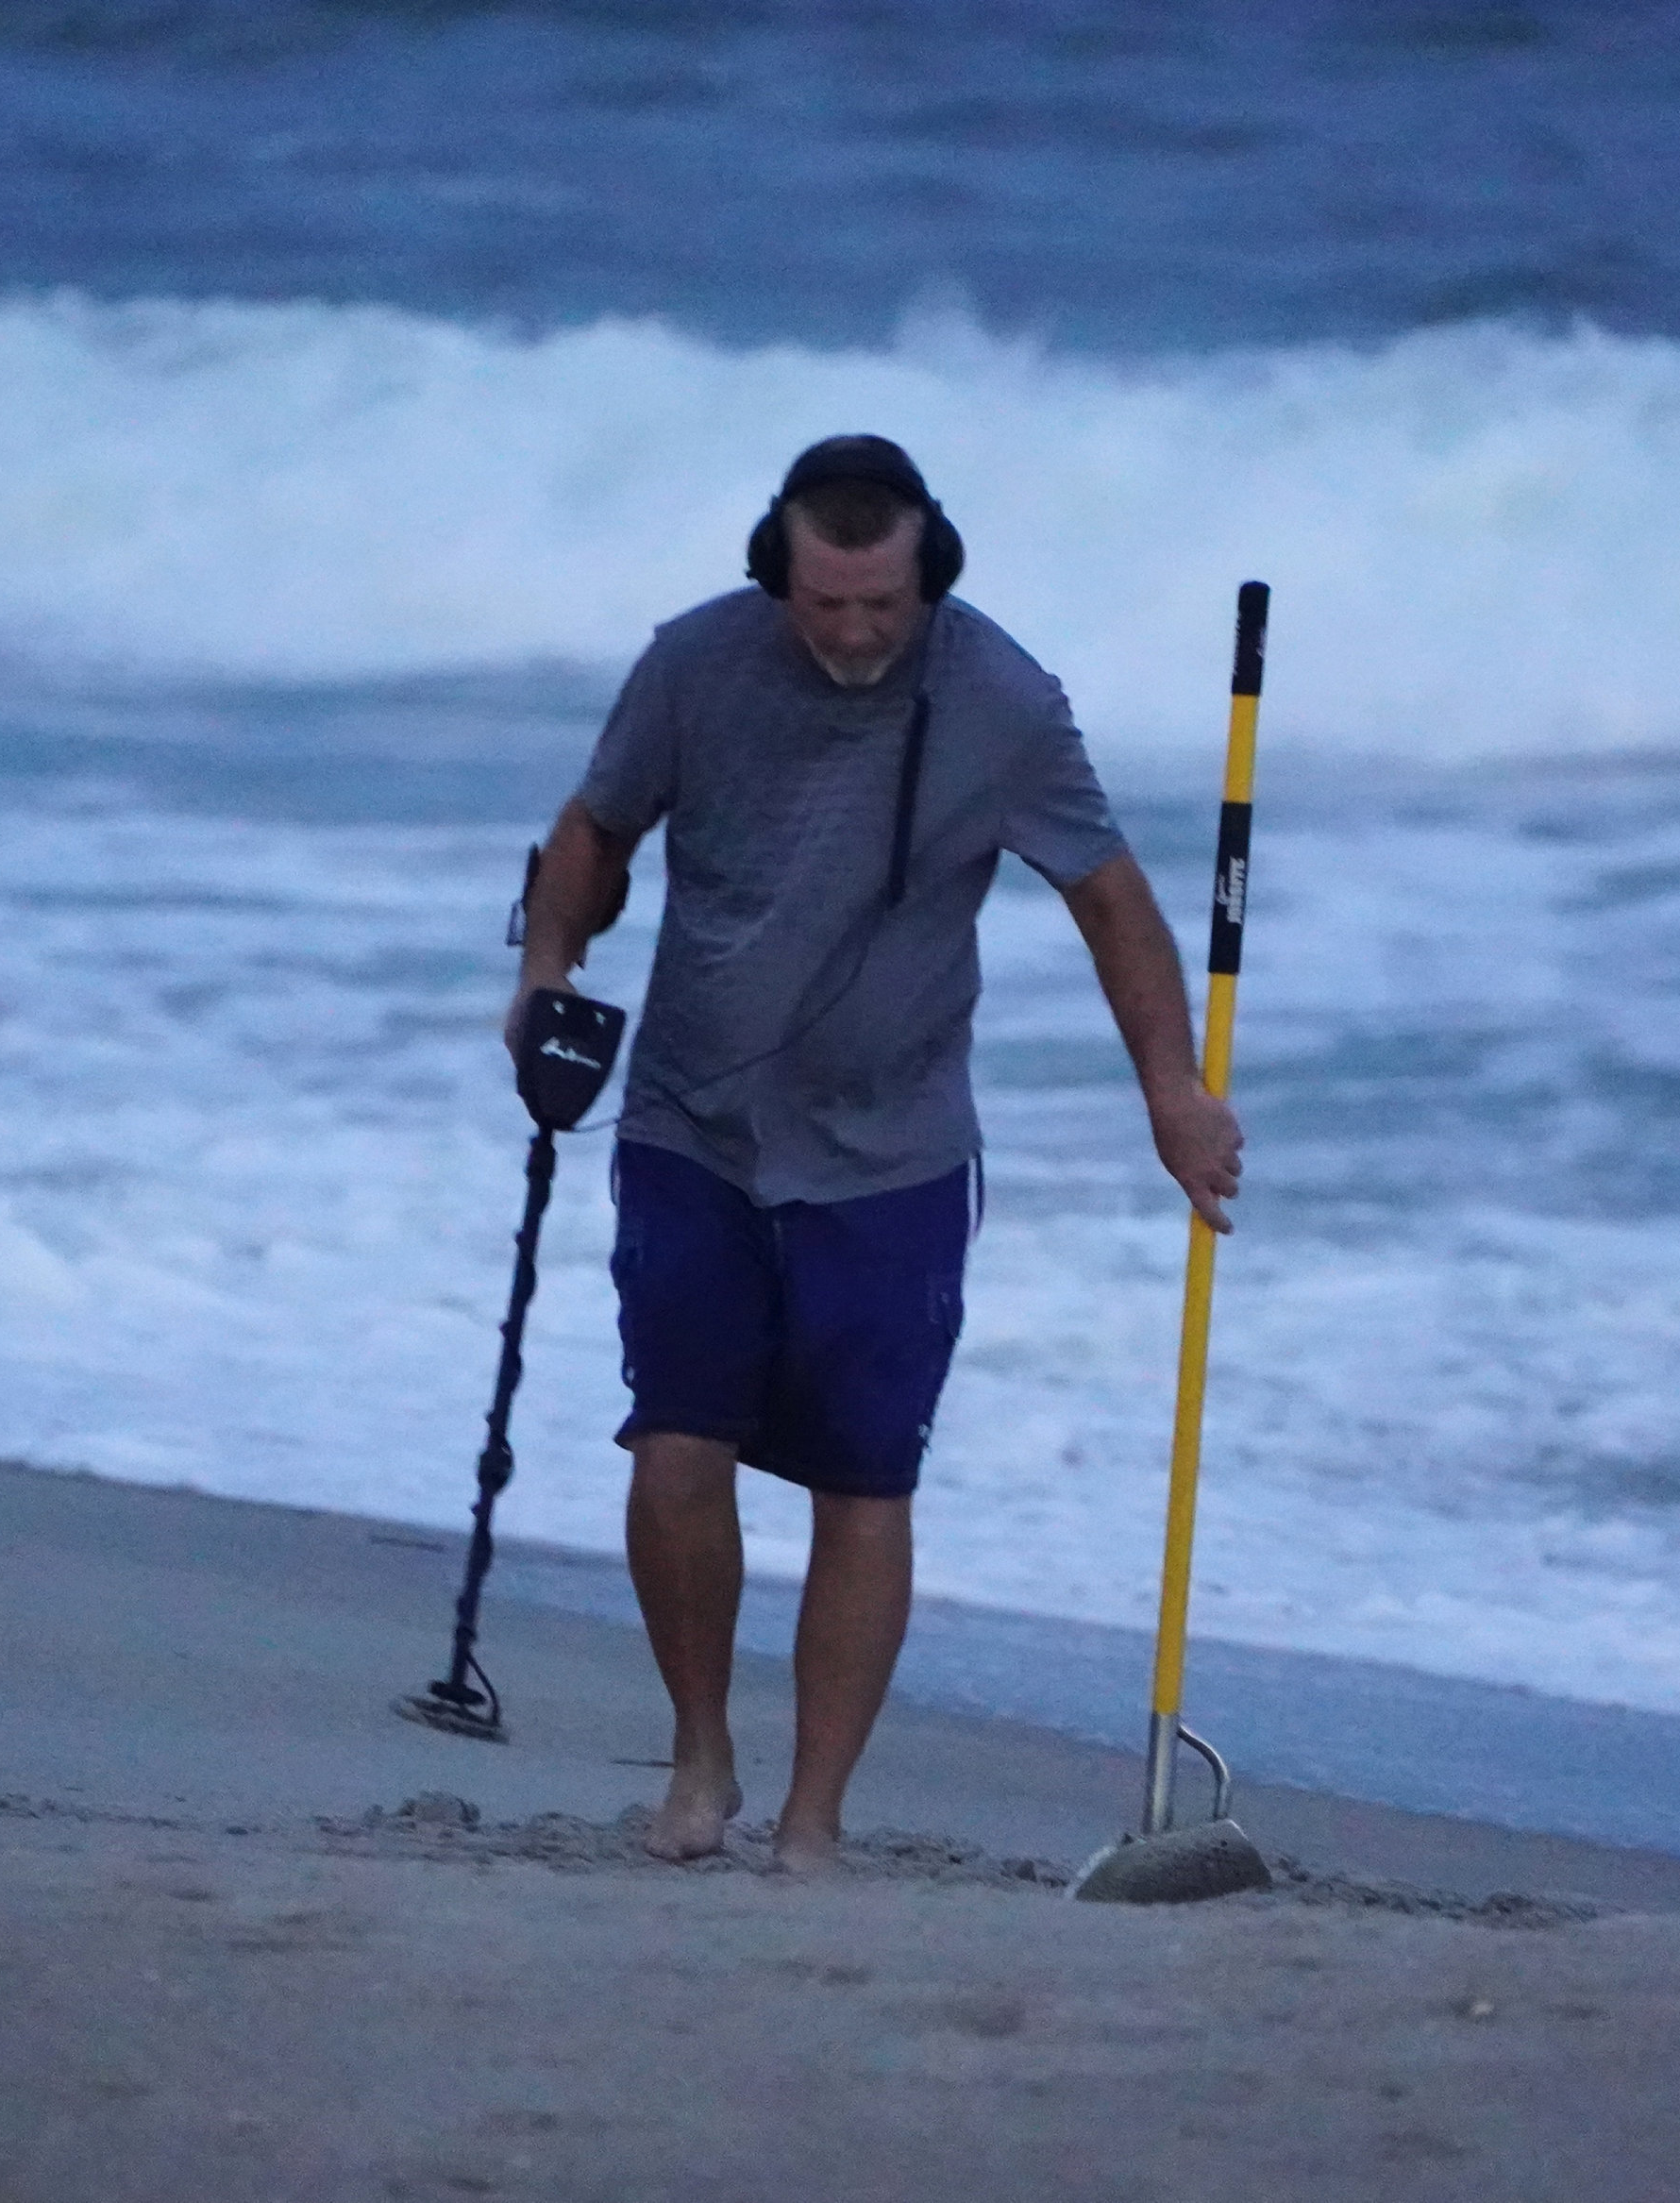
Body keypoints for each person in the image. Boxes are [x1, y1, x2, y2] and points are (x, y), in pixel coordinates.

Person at [507, 434, 1241, 1872]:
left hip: (896, 1147)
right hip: (693, 1120)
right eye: (824, 602)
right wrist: (544, 970)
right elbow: (597, 831)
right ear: (776, 568)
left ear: (933, 576)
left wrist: (1173, 1091)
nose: (852, 632)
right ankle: (701, 1755)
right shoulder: (693, 665)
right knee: (675, 1438)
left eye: (882, 607)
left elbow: (1111, 901)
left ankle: (815, 1816)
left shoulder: (1005, 700)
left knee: (866, 1479)